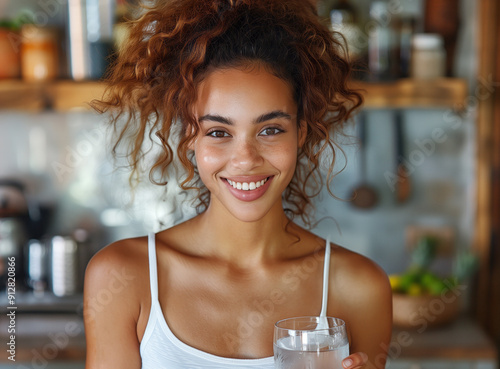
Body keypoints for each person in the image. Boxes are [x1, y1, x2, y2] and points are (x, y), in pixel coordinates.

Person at [83, 0, 392, 368]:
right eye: (218, 132)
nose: (245, 159)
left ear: (300, 134)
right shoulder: (121, 276)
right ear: (190, 140)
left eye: (271, 129)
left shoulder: (360, 286)